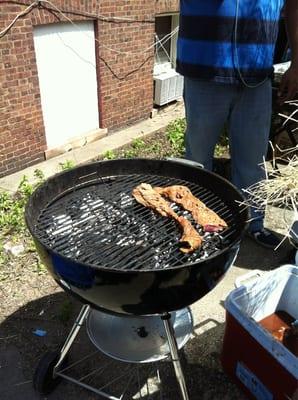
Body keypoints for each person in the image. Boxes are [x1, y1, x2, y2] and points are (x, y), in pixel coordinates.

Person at [177, 0, 298, 249]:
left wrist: (297, 64)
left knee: (253, 160)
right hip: (204, 70)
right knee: (197, 159)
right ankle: (195, 223)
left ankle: (254, 222)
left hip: (256, 75)